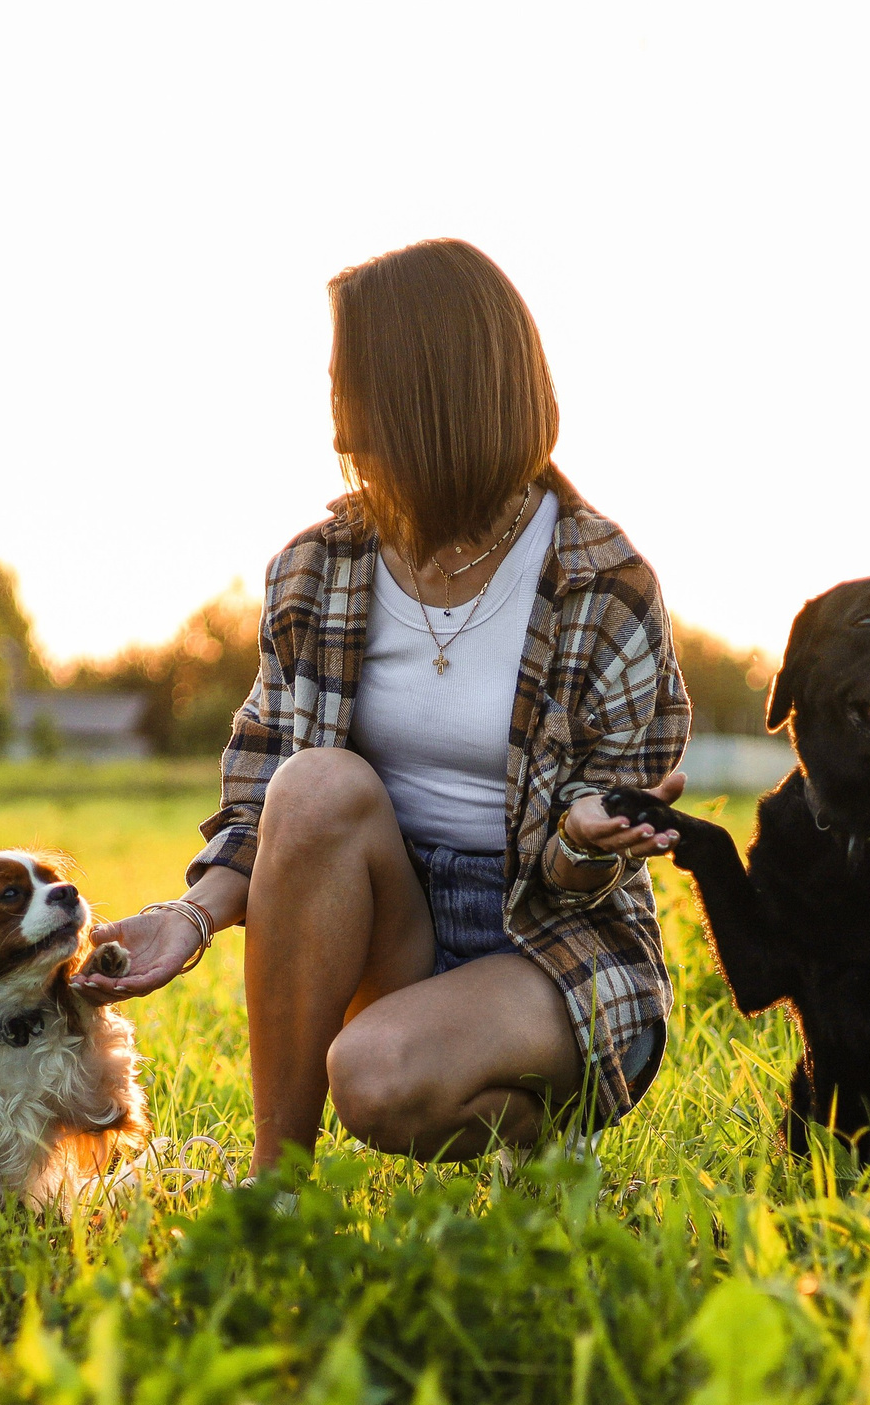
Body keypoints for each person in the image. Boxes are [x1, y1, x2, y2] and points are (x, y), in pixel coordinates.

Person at [78, 238, 690, 1172]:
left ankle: (545, 1132)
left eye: (354, 399)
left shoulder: (604, 585)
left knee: (373, 1077)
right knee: (313, 782)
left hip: (557, 940)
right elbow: (266, 805)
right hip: (391, 917)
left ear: (429, 398)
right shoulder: (315, 570)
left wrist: (581, 838)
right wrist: (191, 915)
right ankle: (276, 1191)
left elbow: (599, 855)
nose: (339, 438)